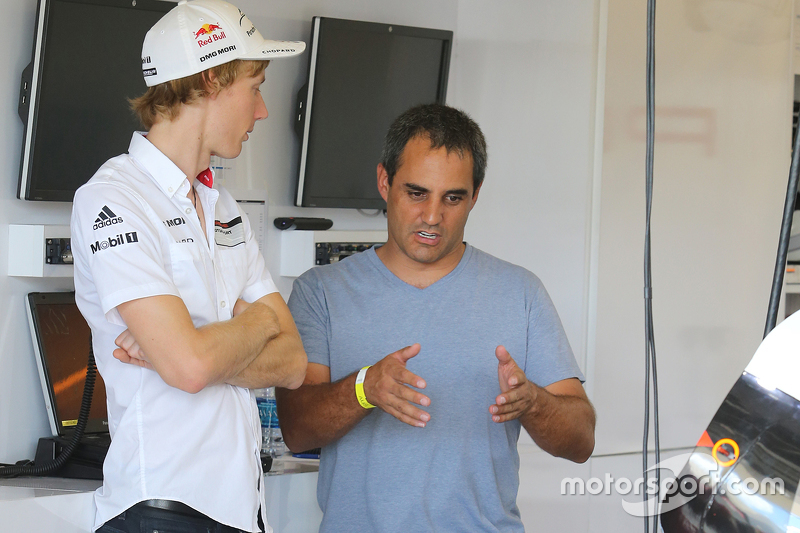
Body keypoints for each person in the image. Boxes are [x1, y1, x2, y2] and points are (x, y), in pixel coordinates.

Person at [277, 103, 596, 532]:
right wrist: (365, 388)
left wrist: (535, 403)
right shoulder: (321, 292)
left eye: (452, 198)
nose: (432, 216)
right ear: (384, 182)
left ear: (475, 195)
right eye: (416, 192)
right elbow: (296, 429)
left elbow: (581, 441)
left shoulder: (521, 292)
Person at [70, 1, 307, 531]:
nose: (263, 110)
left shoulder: (224, 207)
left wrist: (189, 348)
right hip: (162, 511)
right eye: (256, 85)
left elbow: (291, 362)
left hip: (242, 509)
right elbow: (191, 367)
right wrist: (258, 322)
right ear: (212, 78)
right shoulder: (113, 199)